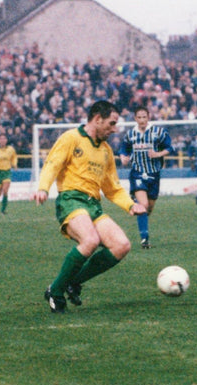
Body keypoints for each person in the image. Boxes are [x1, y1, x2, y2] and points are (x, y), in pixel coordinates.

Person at [34, 100, 146, 314]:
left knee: (122, 245)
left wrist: (131, 206)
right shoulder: (71, 138)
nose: (114, 129)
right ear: (97, 119)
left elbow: (113, 188)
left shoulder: (105, 151)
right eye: (111, 124)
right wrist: (43, 188)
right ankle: (56, 292)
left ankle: (70, 282)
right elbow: (52, 164)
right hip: (71, 200)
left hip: (93, 205)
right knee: (91, 240)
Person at [118, 106, 173, 248]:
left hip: (154, 173)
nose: (142, 120)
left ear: (148, 117)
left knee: (149, 209)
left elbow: (169, 147)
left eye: (144, 117)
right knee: (144, 205)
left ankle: (139, 211)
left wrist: (158, 154)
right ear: (135, 118)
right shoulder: (131, 134)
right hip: (137, 172)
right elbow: (124, 148)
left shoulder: (158, 132)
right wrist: (123, 157)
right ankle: (145, 239)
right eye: (139, 117)